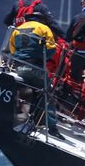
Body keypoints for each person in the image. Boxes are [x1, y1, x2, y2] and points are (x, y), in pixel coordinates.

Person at [8, 11, 63, 139]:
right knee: (47, 92)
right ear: (42, 19)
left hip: (19, 68)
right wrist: (42, 58)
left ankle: (27, 119)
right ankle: (52, 128)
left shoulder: (17, 29)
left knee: (29, 90)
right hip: (35, 68)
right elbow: (51, 49)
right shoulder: (43, 28)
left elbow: (12, 49)